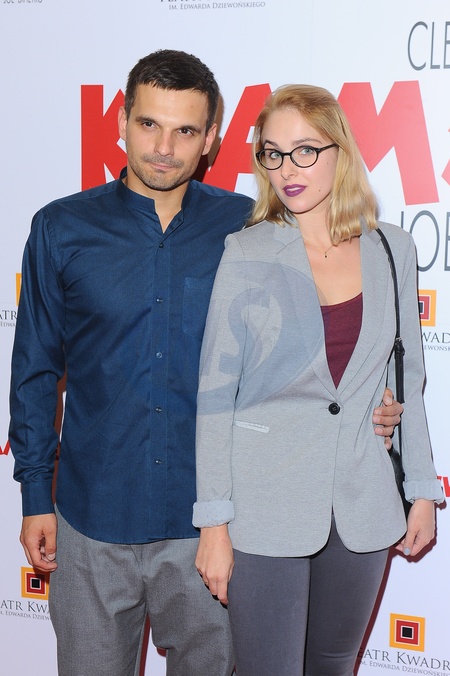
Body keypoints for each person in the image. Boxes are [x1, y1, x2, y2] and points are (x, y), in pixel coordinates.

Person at [9, 49, 401, 676]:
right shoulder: (61, 228)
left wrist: (370, 407)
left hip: (212, 531)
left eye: (186, 130)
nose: (164, 148)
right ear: (122, 121)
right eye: (149, 124)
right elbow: (34, 371)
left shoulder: (251, 230)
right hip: (90, 522)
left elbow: (316, 347)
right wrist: (35, 494)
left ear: (212, 137)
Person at [193, 84, 444, 676]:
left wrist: (422, 490)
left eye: (305, 150)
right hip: (264, 508)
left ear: (341, 150)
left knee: (333, 664)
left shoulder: (392, 249)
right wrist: (213, 525)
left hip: (362, 501)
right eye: (273, 153)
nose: (288, 169)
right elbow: (215, 398)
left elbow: (407, 378)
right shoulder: (247, 252)